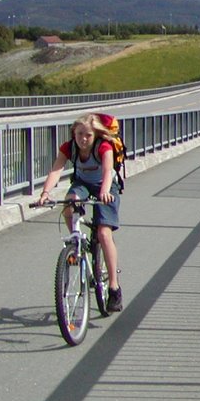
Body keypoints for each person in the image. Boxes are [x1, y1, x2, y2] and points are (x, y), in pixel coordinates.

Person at [38, 112, 124, 312]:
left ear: (95, 135)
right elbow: (56, 169)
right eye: (79, 135)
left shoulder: (104, 146)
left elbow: (107, 171)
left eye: (88, 135)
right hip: (83, 184)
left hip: (106, 187)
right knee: (69, 203)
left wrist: (104, 192)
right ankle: (76, 239)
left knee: (104, 233)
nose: (83, 139)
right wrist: (45, 193)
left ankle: (113, 287)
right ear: (73, 134)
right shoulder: (69, 148)